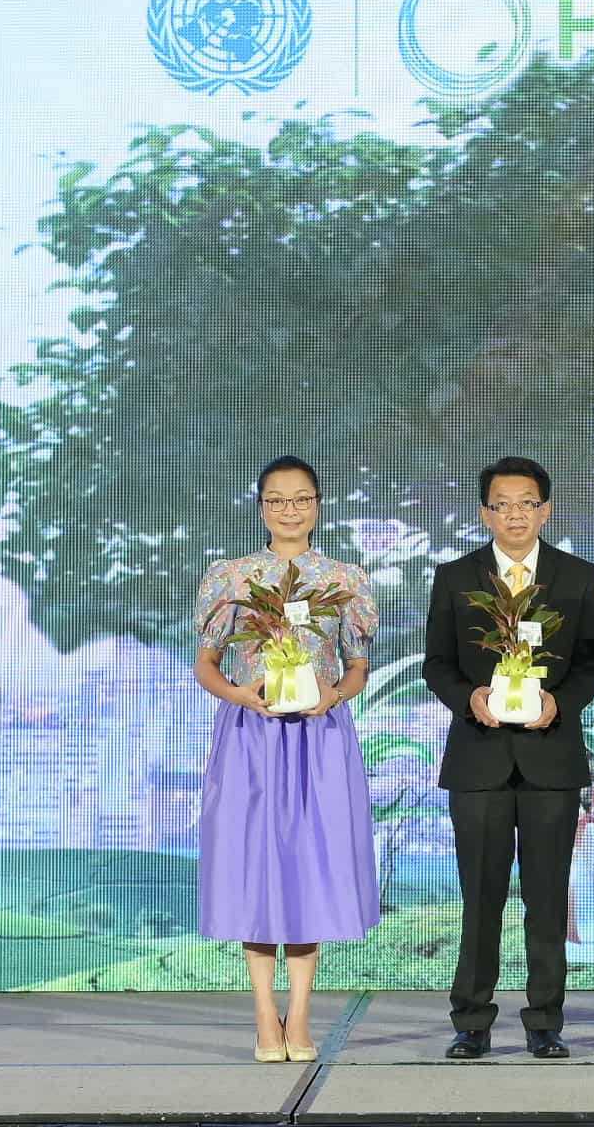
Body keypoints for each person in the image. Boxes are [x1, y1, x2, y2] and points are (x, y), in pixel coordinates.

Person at [193, 455, 379, 1063]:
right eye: (276, 500)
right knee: (252, 870)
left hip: (319, 738)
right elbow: (206, 664)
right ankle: (262, 1020)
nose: (289, 510)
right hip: (251, 736)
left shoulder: (343, 578)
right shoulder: (233, 577)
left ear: (318, 504)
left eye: (300, 499)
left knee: (308, 874)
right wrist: (242, 695)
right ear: (262, 508)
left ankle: (298, 1018)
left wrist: (334, 696)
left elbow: (356, 666)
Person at [423, 457, 594, 1060]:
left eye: (527, 503)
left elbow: (590, 663)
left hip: (550, 760)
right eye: (502, 504)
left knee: (548, 895)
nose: (515, 514)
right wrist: (469, 697)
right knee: (481, 895)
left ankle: (545, 1021)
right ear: (485, 513)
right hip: (478, 761)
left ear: (545, 510)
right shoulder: (455, 578)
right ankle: (471, 1021)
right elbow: (437, 665)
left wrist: (559, 704)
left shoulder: (576, 577)